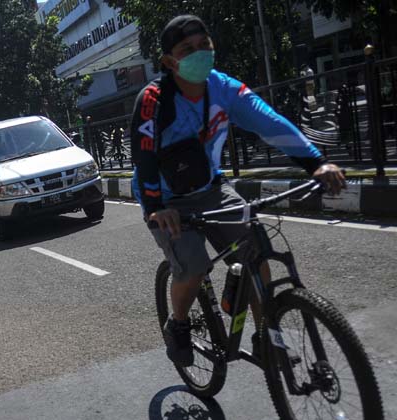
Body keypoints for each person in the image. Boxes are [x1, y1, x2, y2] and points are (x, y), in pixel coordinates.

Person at [130, 14, 345, 367]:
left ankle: (266, 339)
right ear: (170, 62)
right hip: (165, 199)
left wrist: (316, 163)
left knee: (255, 253)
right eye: (188, 50)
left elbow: (268, 121)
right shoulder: (154, 99)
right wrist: (155, 206)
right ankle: (178, 325)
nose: (200, 53)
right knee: (194, 265)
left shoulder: (224, 88)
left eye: (204, 45)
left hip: (211, 187)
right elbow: (145, 157)